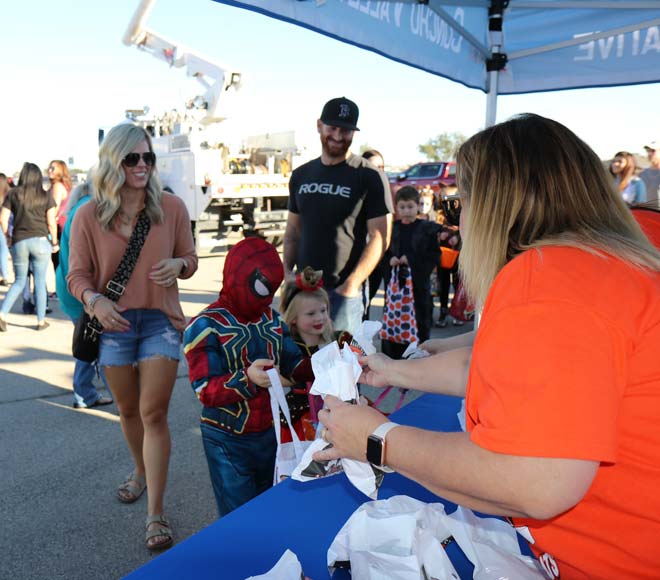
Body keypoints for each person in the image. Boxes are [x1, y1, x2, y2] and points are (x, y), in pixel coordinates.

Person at [314, 114, 660, 579]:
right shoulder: (601, 266)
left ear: (496, 205)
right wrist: (392, 371)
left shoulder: (550, 276)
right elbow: (511, 373)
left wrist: (378, 441)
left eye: (462, 204)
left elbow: (535, 480)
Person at [67, 123, 198, 551]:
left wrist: (180, 265)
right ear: (113, 162)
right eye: (131, 159)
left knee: (153, 412)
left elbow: (192, 258)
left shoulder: (172, 207)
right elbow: (76, 276)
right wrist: (94, 302)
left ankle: (155, 513)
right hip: (114, 325)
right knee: (127, 411)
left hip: (160, 320)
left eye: (148, 158)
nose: (142, 166)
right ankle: (140, 472)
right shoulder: (88, 214)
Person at [183, 237, 311, 517]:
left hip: (270, 431)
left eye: (272, 289)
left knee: (270, 505)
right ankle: (244, 559)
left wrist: (325, 363)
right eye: (263, 287)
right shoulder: (205, 326)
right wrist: (248, 379)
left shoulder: (271, 320)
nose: (266, 297)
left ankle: (268, 557)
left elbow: (292, 360)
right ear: (240, 276)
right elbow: (205, 390)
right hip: (228, 438)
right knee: (239, 515)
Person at [283, 97, 393, 335]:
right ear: (319, 126)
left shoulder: (369, 176)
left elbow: (380, 237)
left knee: (343, 367)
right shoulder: (301, 175)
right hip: (305, 291)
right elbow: (292, 231)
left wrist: (352, 285)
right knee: (301, 365)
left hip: (343, 293)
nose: (338, 135)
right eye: (332, 128)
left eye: (345, 130)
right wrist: (286, 273)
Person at [55, 175, 113, 409]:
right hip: (84, 292)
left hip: (71, 289)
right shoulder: (91, 210)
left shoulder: (78, 208)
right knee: (101, 347)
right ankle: (122, 399)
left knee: (88, 342)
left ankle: (84, 393)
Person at [280, 266, 352, 427]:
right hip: (300, 414)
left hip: (338, 408)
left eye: (323, 310)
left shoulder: (340, 338)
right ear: (293, 318)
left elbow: (363, 356)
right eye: (311, 314)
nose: (320, 317)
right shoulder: (289, 346)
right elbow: (298, 372)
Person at [382, 186, 440, 358]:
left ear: (417, 206)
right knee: (394, 320)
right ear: (396, 208)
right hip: (395, 289)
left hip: (418, 288)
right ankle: (393, 358)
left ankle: (418, 356)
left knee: (419, 322)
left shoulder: (427, 229)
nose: (406, 211)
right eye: (402, 207)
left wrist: (412, 260)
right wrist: (389, 260)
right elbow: (383, 253)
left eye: (410, 207)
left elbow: (434, 255)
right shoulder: (392, 229)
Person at [0, 163, 58, 332]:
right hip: (41, 241)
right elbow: (51, 222)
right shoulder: (46, 196)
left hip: (20, 241)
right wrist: (54, 242)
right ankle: (40, 321)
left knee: (19, 281)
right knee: (40, 281)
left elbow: (3, 219)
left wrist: (8, 237)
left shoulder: (13, 194)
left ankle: (2, 314)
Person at [361, 149, 389, 321]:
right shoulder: (354, 193)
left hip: (380, 261)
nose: (377, 171)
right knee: (361, 307)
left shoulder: (386, 193)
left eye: (381, 167)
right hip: (358, 260)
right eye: (372, 167)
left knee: (368, 302)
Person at [640, 139, 660, 206]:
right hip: (648, 213)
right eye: (648, 151)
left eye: (653, 151)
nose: (649, 153)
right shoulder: (642, 174)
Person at [0, 173, 10, 286]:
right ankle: (5, 276)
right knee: (3, 251)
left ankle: (4, 276)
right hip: (4, 225)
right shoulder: (9, 193)